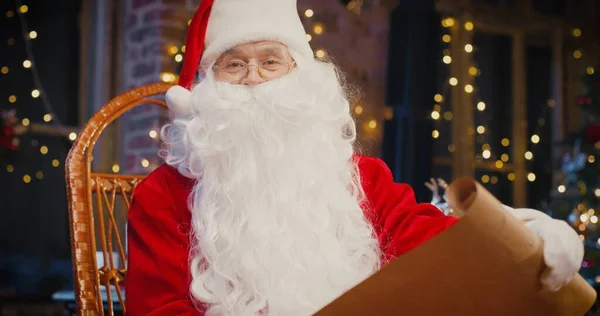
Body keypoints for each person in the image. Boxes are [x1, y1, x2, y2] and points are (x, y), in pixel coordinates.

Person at [126, 0, 584, 315]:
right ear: (208, 86)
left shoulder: (362, 178)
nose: (254, 79)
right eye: (234, 64)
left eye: (270, 61)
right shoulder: (162, 197)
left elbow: (429, 240)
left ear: (299, 76)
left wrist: (526, 238)